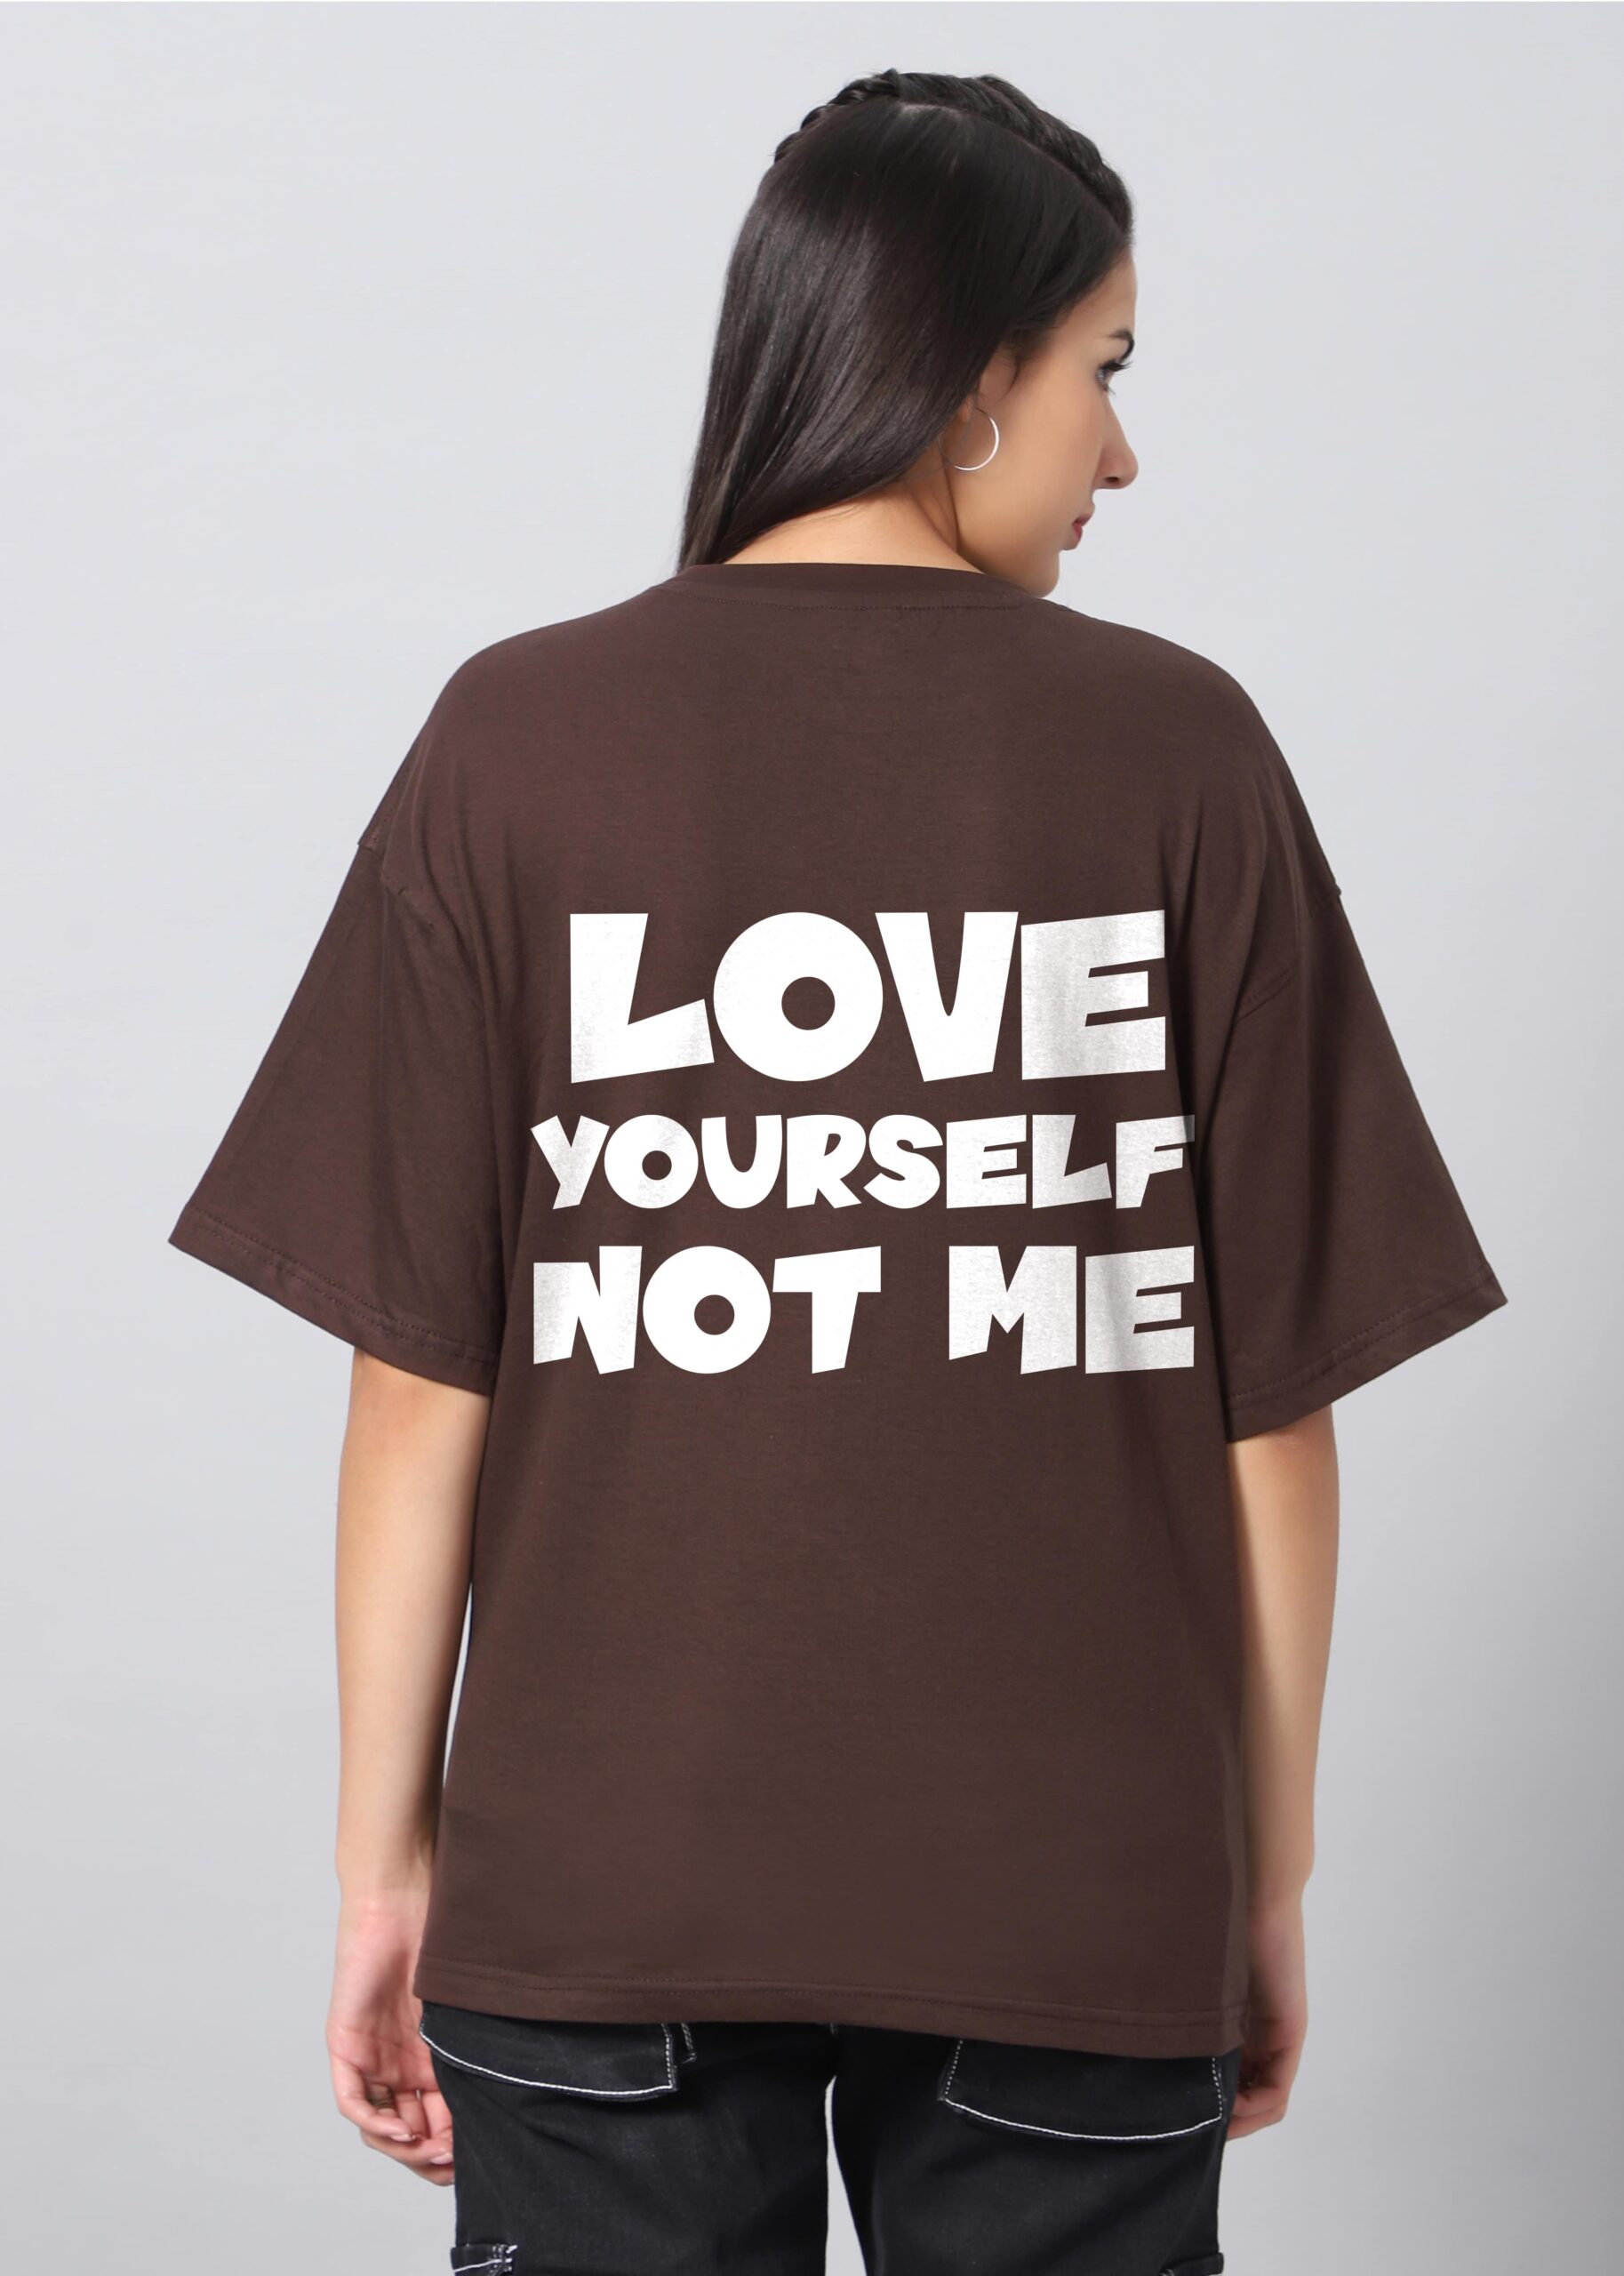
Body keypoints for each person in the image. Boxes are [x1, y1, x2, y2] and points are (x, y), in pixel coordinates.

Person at [167, 67, 1508, 2276]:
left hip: (595, 1892)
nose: (1120, 451)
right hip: (1075, 1891)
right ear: (971, 376)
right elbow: (1267, 1413)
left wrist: (382, 1866)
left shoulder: (516, 738)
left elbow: (417, 1381)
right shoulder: (1176, 749)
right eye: (1103, 369)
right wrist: (1260, 1874)